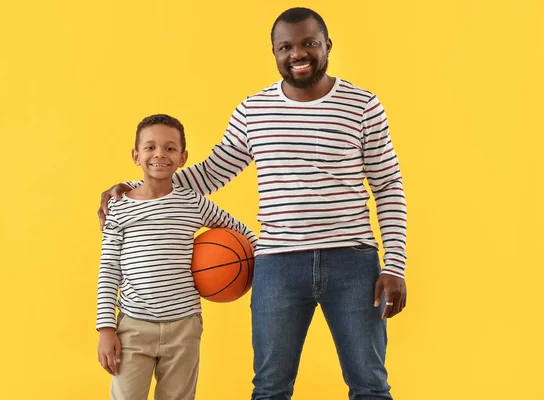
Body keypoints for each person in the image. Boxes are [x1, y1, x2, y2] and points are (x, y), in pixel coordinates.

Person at [98, 8, 407, 400]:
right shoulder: (254, 110)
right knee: (270, 388)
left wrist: (395, 265)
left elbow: (388, 184)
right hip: (277, 264)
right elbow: (211, 173)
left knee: (371, 386)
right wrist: (132, 188)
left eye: (309, 43)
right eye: (286, 47)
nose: (299, 54)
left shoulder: (363, 105)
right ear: (275, 52)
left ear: (327, 45)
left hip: (353, 262)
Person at [96, 114, 257, 400]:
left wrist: (266, 260)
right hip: (133, 326)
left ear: (183, 157)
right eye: (150, 147)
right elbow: (109, 269)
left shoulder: (192, 202)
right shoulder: (118, 208)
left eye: (170, 149)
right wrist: (106, 328)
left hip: (184, 326)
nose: (159, 154)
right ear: (135, 155)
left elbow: (240, 231)